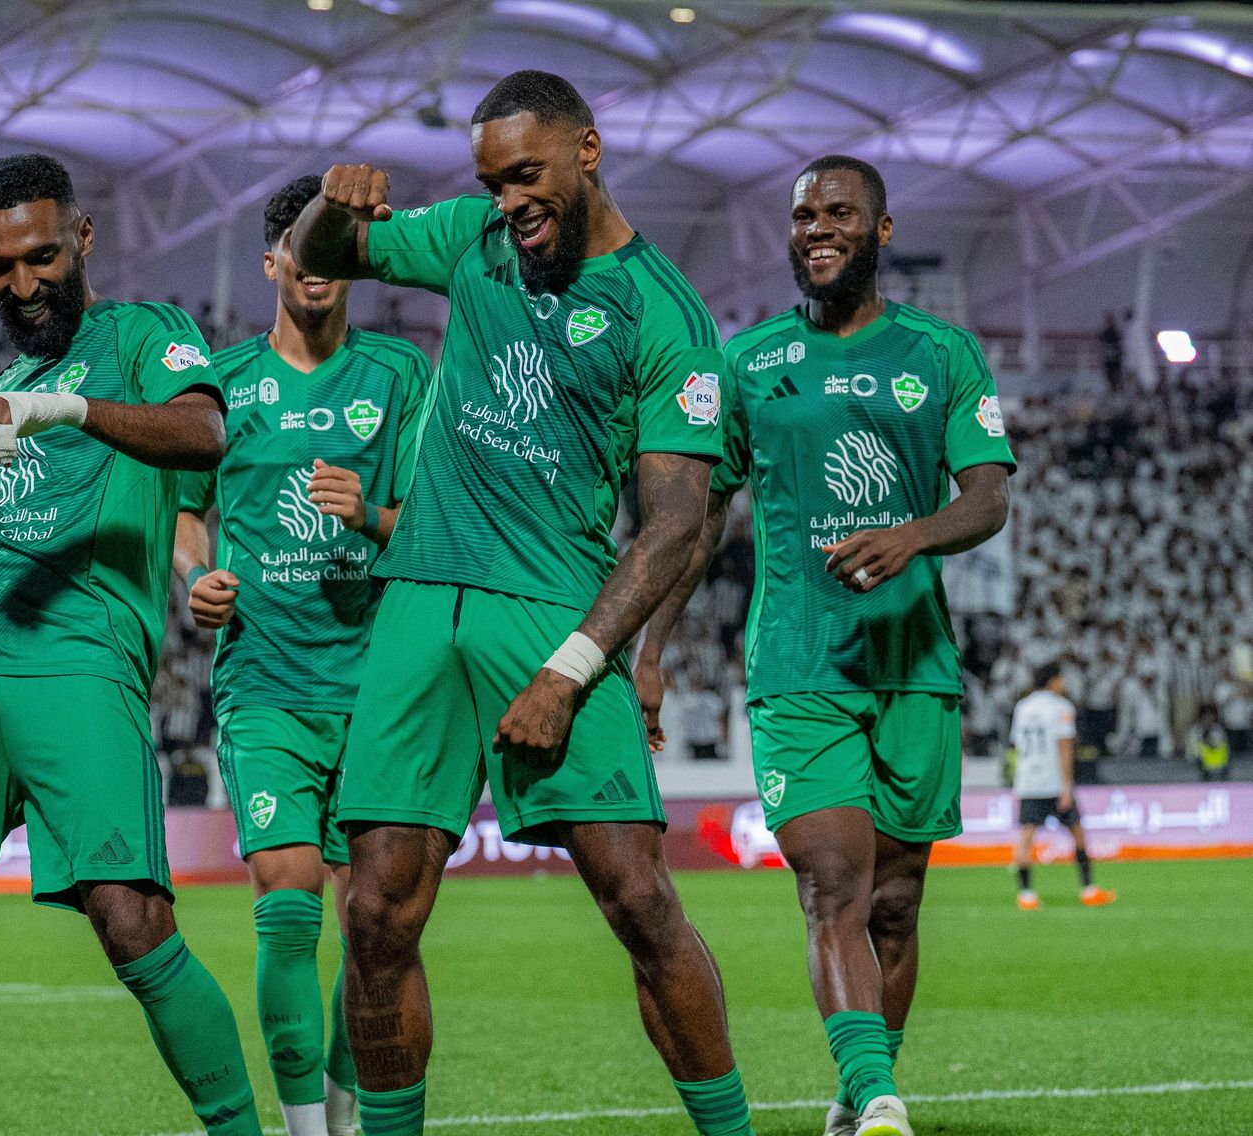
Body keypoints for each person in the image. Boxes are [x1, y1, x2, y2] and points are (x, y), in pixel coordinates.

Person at [292, 71, 754, 1136]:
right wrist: (331, 199)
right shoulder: (471, 241)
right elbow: (323, 257)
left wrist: (570, 667)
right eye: (491, 181)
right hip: (416, 604)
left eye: (526, 174)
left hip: (549, 611)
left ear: (585, 150)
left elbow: (675, 523)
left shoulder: (664, 314)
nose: (508, 201)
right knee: (373, 911)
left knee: (637, 899)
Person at [0, 153, 261, 1136]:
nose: (22, 285)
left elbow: (202, 435)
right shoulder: (0, 387)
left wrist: (66, 408)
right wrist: (5, 430)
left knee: (133, 923)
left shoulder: (144, 335)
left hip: (78, 663)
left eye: (39, 257)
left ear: (81, 239)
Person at [638, 154, 1015, 1136]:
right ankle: (882, 1094)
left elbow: (985, 496)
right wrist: (648, 650)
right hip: (798, 663)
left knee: (893, 901)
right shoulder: (749, 363)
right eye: (803, 213)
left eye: (839, 212)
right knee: (830, 882)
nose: (817, 226)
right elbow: (694, 520)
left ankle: (856, 1093)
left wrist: (911, 534)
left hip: (912, 667)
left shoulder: (939, 353)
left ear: (878, 233)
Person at [175, 174, 431, 1136]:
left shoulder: (401, 378)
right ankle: (301, 1130)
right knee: (288, 900)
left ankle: (343, 1108)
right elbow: (185, 516)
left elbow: (434, 530)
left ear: (350, 259)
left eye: (333, 245)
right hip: (266, 684)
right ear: (273, 261)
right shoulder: (225, 384)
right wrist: (194, 581)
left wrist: (368, 516)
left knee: (376, 922)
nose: (313, 263)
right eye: (294, 244)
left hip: (379, 689)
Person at [1009, 664, 1115, 910]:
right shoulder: (1061, 707)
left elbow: (1017, 744)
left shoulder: (1022, 707)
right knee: (1077, 833)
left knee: (1025, 838)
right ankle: (1088, 890)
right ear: (1053, 681)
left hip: (1028, 781)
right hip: (1054, 781)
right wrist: (1067, 785)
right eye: (1061, 679)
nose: (1064, 684)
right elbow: (1064, 748)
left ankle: (1026, 895)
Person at [1190, 702, 1230, 781]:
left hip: (1217, 760)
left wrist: (1211, 740)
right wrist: (1204, 739)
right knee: (1200, 748)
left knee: (1223, 749)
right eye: (1206, 716)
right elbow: (1193, 748)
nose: (1208, 718)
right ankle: (1205, 772)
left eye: (1210, 715)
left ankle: (1219, 772)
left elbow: (1222, 745)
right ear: (1201, 717)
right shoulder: (1196, 730)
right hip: (1200, 761)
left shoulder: (1218, 729)